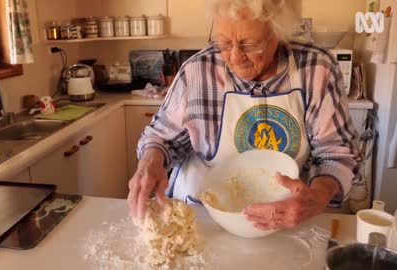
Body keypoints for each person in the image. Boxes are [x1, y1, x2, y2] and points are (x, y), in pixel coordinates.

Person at [128, 0, 361, 231]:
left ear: (278, 34)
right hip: (200, 218)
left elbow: (336, 155)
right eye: (225, 42)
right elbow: (160, 138)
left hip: (280, 219)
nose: (235, 57)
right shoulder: (198, 72)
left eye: (249, 44)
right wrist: (151, 161)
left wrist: (316, 197)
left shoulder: (316, 70)